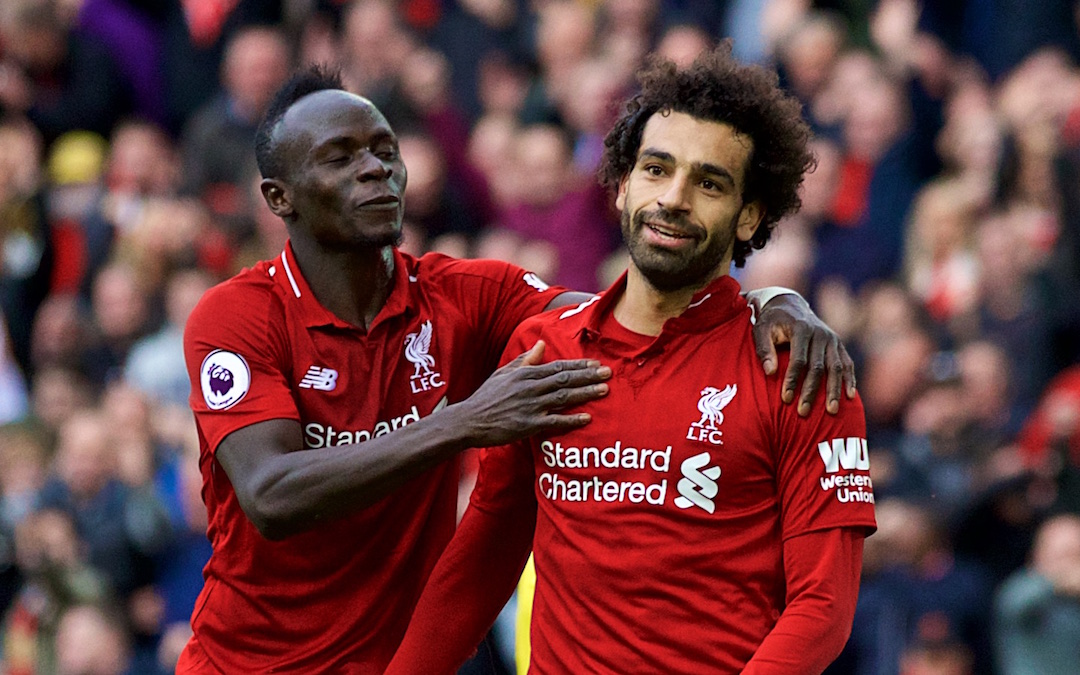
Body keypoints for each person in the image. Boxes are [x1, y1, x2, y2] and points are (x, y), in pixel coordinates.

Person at [177, 65, 856, 673]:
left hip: (393, 654)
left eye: (386, 151)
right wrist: (466, 421)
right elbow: (272, 497)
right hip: (250, 660)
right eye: (340, 157)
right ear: (278, 197)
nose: (375, 169)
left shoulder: (478, 300)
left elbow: (632, 309)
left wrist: (772, 296)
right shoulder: (236, 316)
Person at [385, 44, 877, 675]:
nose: (673, 198)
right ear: (621, 186)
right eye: (655, 169)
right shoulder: (542, 348)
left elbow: (822, 610)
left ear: (751, 214)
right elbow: (483, 557)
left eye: (709, 182)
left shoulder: (800, 370)